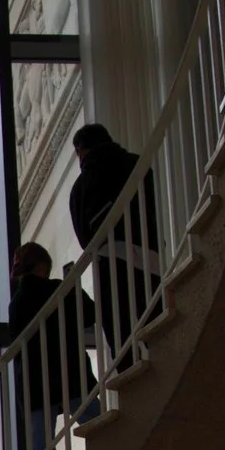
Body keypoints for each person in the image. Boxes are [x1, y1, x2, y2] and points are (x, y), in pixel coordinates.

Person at [68, 122, 162, 370]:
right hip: (150, 252)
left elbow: (84, 237)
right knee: (156, 318)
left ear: (81, 149)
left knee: (121, 329)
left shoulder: (82, 186)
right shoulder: (136, 164)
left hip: (111, 261)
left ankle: (130, 372)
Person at [5, 241, 94, 450]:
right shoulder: (59, 289)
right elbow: (89, 315)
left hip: (35, 384)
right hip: (71, 372)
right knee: (94, 417)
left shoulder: (17, 302)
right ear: (44, 265)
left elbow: (17, 345)